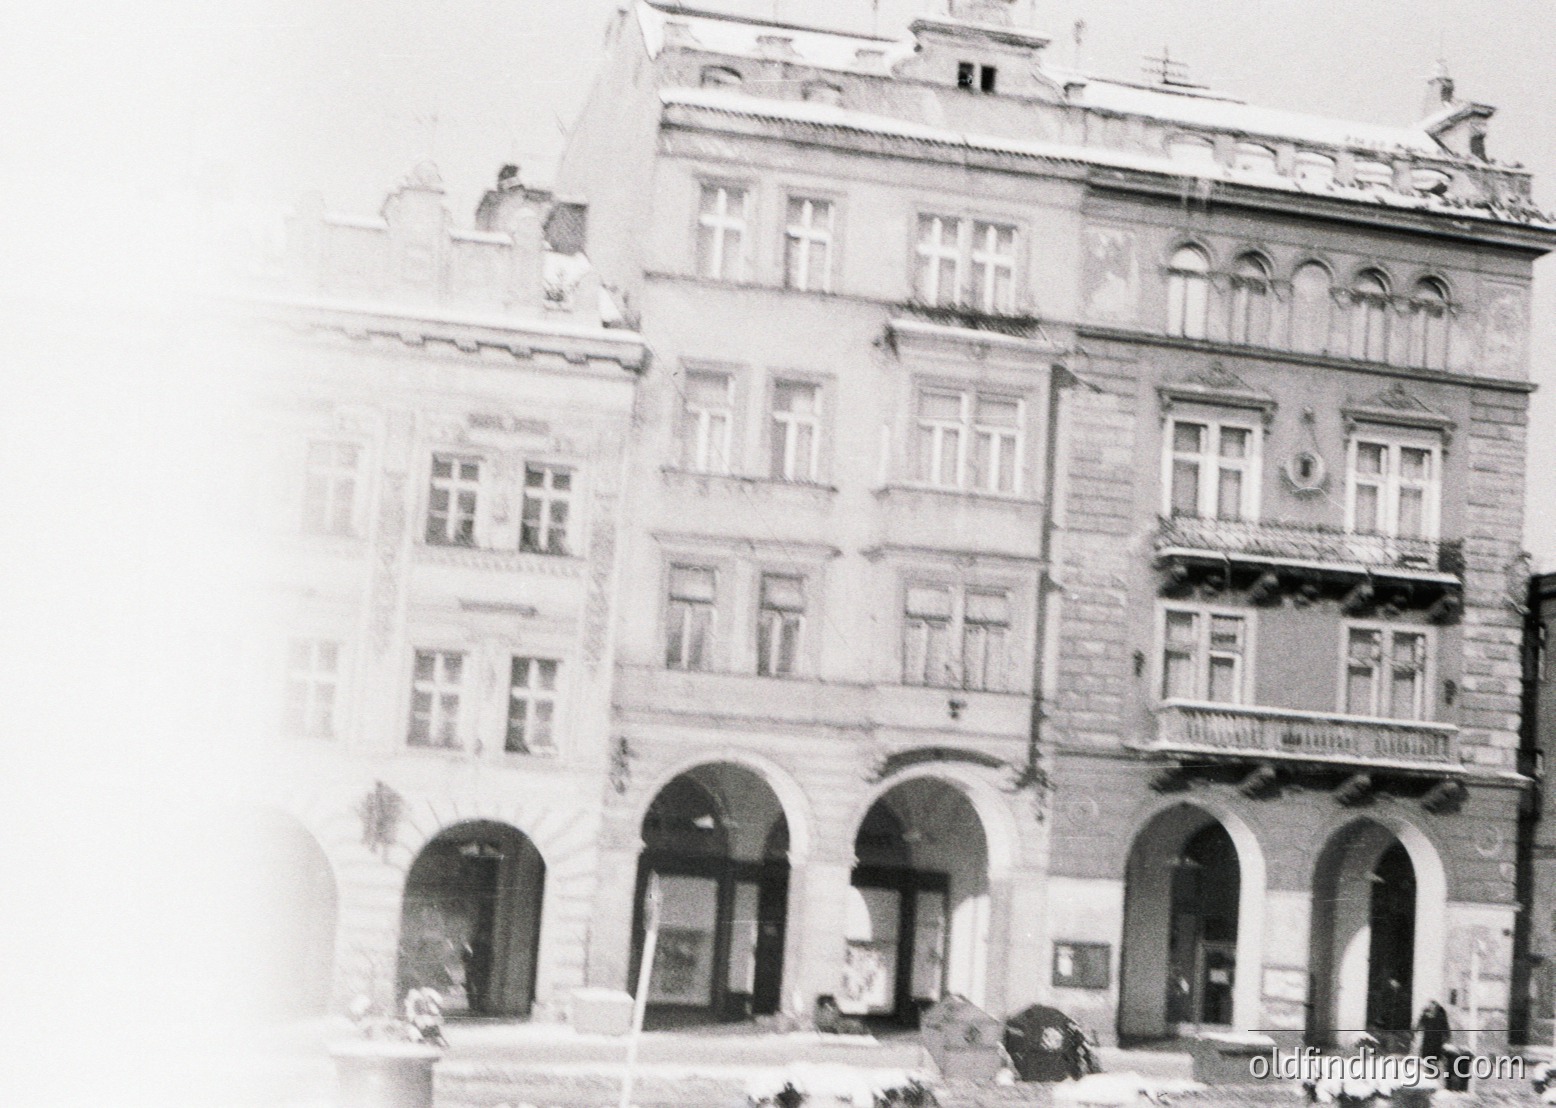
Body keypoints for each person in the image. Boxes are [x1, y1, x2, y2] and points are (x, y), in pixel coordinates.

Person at [1415, 999, 1451, 1074]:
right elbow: (1419, 1025)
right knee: (1427, 1055)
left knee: (1435, 1056)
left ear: (1436, 1007)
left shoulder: (1440, 1017)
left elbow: (1445, 1027)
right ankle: (1429, 1070)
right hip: (1427, 1039)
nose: (1431, 1007)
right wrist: (1416, 1031)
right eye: (1430, 1006)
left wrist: (1447, 1037)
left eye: (1433, 1006)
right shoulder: (1425, 1016)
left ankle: (1434, 1071)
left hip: (1436, 1039)